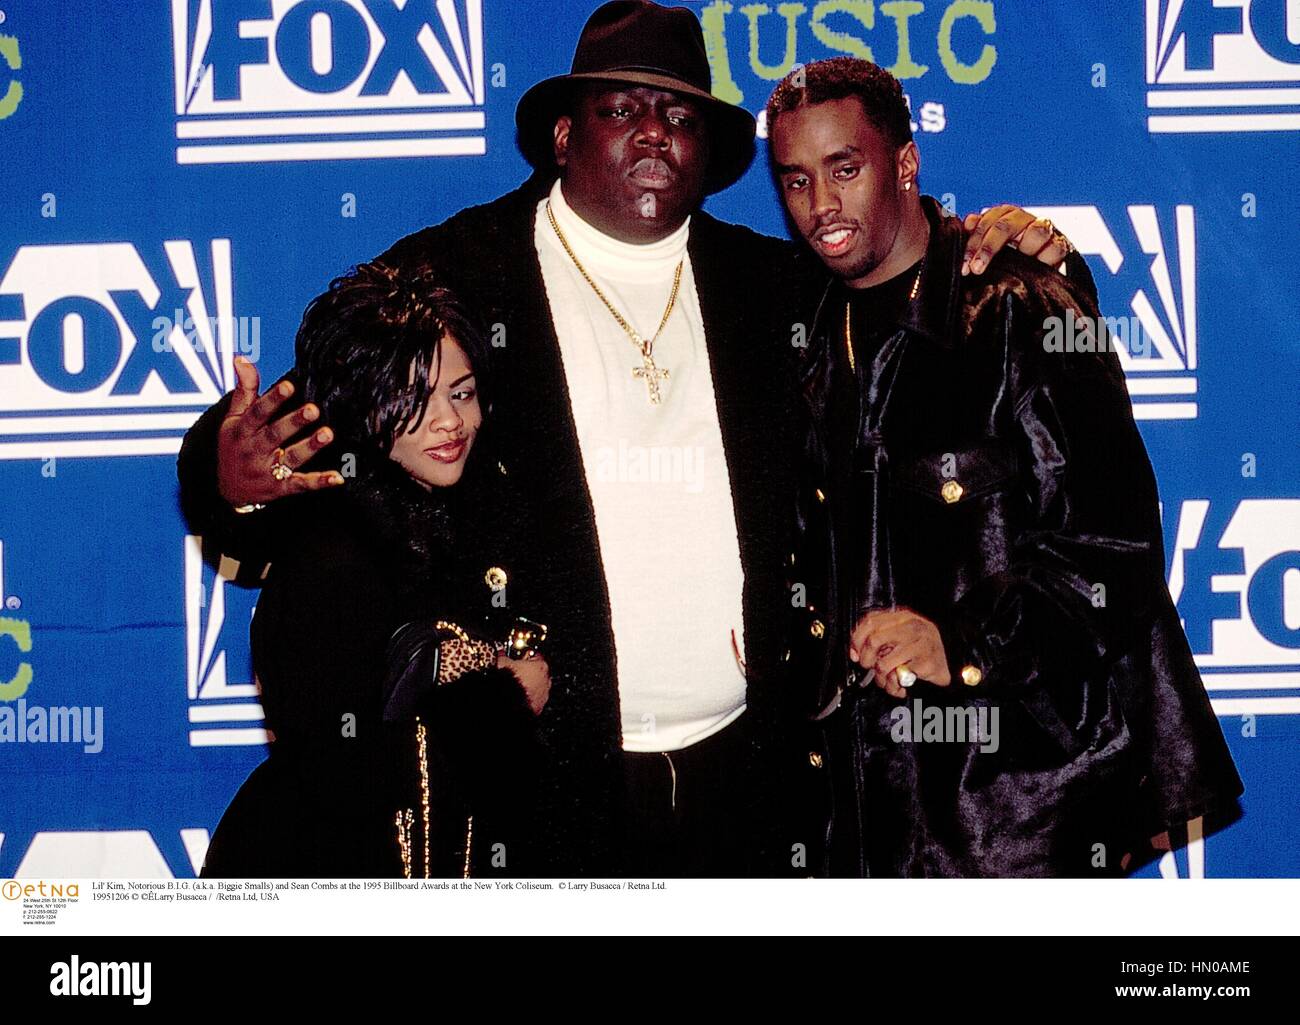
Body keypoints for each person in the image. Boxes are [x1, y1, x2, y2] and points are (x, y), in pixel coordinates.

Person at [180, 1, 1070, 877]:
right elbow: (295, 438)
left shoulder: (776, 290)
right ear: (564, 137)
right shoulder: (453, 273)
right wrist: (232, 479)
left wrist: (1002, 248)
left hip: (752, 783)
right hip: (538, 785)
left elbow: (912, 290)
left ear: (710, 157)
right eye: (621, 109)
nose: (653, 133)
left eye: (679, 114)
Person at [768, 57, 1243, 876]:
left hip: (1017, 816)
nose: (822, 206)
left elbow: (1113, 550)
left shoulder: (1024, 306)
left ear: (906, 165)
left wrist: (961, 641)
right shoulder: (803, 335)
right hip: (864, 820)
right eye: (797, 180)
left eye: (845, 170)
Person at [199, 262, 550, 879]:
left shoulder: (471, 520)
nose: (448, 422)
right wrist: (505, 697)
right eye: (409, 399)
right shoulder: (331, 549)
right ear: (357, 407)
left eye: (461, 393)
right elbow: (340, 769)